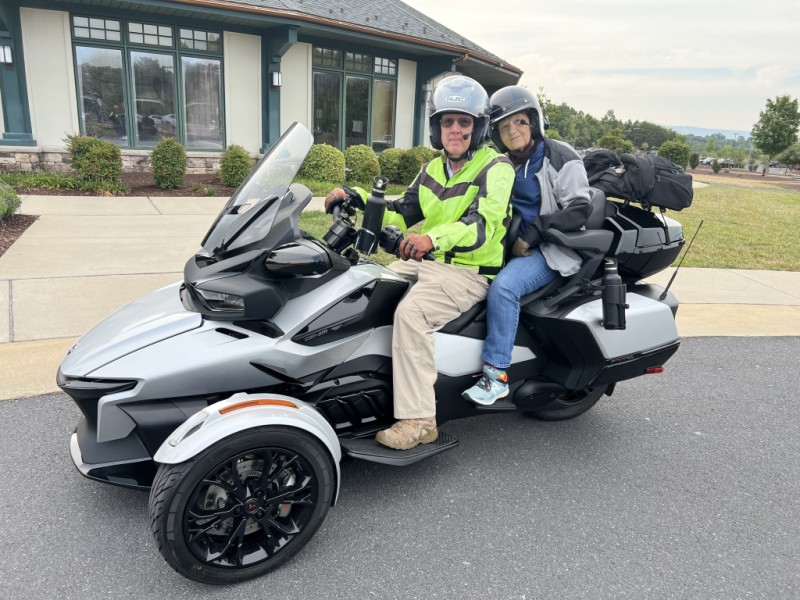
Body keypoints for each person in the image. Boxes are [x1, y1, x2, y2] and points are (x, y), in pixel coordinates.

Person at [325, 76, 514, 450]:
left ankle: (419, 420)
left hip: (470, 273)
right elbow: (402, 209)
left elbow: (482, 226)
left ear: (478, 128)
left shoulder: (497, 167)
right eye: (447, 122)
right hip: (431, 262)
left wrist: (432, 239)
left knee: (412, 314)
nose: (455, 130)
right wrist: (358, 196)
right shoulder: (431, 169)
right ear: (436, 128)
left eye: (464, 122)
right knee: (365, 283)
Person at [461, 85, 593, 405]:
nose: (513, 131)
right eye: (504, 126)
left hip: (551, 250)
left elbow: (580, 208)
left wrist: (534, 233)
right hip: (509, 244)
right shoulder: (504, 162)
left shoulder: (560, 157)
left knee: (504, 288)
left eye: (519, 122)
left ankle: (496, 376)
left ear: (533, 122)